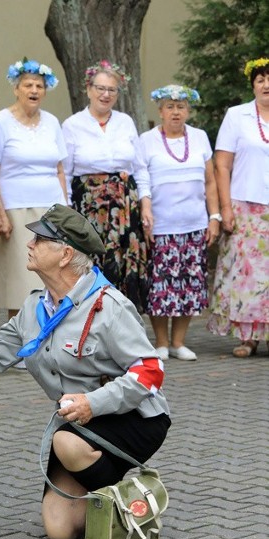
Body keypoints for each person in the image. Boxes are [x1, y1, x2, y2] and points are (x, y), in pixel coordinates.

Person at [0, 204, 170, 539]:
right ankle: (115, 496)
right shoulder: (34, 307)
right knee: (60, 531)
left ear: (65, 254)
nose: (29, 244)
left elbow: (149, 370)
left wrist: (93, 402)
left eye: (39, 239)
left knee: (65, 442)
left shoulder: (108, 306)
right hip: (81, 423)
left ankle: (128, 497)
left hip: (134, 416)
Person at [134, 85, 219, 361]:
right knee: (162, 284)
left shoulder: (199, 137)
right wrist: (145, 207)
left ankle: (179, 342)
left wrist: (214, 216)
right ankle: (160, 342)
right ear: (160, 111)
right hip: (161, 225)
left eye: (181, 107)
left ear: (188, 111)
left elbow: (210, 180)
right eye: (170, 106)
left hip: (194, 223)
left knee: (189, 283)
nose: (175, 112)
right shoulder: (146, 140)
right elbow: (142, 178)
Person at [62, 60, 150, 312]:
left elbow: (140, 168)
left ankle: (123, 329)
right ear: (88, 89)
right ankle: (89, 326)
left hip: (125, 208)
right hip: (89, 208)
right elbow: (65, 173)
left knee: (125, 266)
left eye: (112, 89)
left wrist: (146, 205)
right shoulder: (72, 125)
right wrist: (68, 213)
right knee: (91, 265)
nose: (105, 94)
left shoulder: (126, 122)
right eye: (100, 88)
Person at [0, 58, 67, 325]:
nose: (34, 90)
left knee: (52, 278)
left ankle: (48, 342)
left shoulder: (53, 122)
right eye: (28, 85)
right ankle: (21, 343)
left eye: (39, 86)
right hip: (15, 210)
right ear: (16, 89)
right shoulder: (1, 121)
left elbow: (59, 169)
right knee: (19, 281)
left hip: (50, 210)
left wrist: (65, 209)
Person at [207, 57, 269, 357]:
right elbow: (222, 164)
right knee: (246, 275)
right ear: (253, 85)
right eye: (260, 80)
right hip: (246, 205)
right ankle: (248, 337)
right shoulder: (237, 115)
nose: (266, 85)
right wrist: (225, 208)